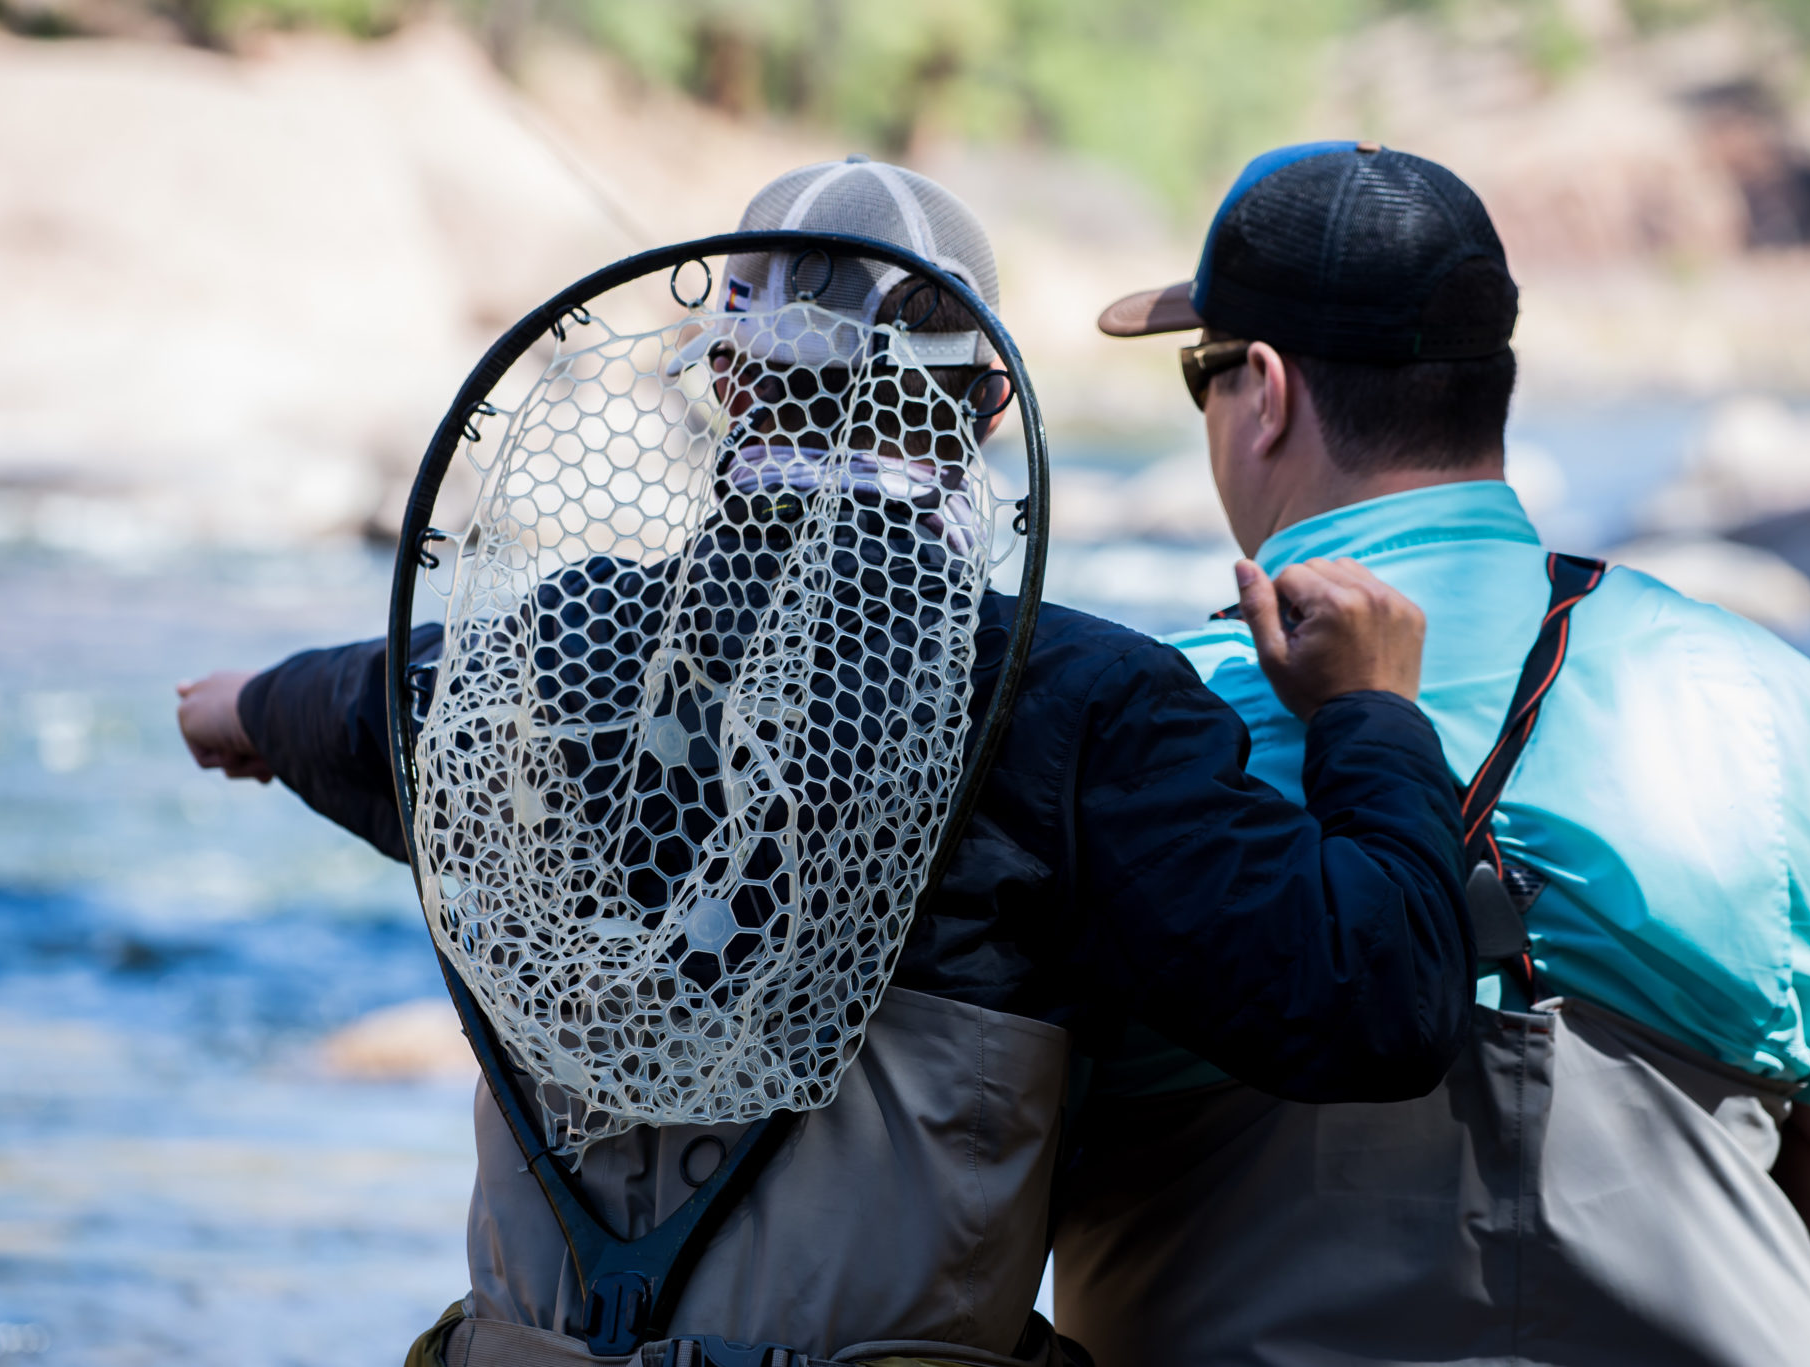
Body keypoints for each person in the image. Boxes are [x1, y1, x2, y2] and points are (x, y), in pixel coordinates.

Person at [177, 157, 1476, 1367]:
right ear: (993, 401)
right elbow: (1378, 1000)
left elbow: (359, 704)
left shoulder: (536, 658)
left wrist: (241, 706)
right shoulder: (1084, 707)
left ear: (728, 377)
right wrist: (1371, 712)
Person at [1056, 139, 1810, 1367]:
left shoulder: (1125, 723)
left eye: (1196, 375)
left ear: (1262, 391)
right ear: (1488, 385)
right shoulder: (1798, 710)